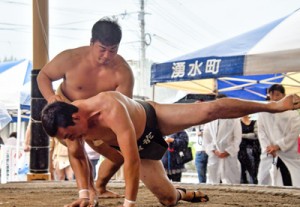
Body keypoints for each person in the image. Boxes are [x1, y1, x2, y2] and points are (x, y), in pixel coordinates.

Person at [41, 90, 300, 207]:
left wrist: (129, 204)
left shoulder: (109, 107)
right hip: (138, 151)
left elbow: (130, 161)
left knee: (210, 109)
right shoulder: (69, 127)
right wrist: (84, 193)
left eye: (70, 134)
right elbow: (77, 155)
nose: (71, 139)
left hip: (154, 119)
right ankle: (183, 193)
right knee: (167, 199)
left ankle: (273, 106)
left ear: (76, 118)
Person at [37, 17, 134, 197]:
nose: (106, 56)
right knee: (76, 149)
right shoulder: (70, 58)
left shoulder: (123, 71)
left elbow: (125, 106)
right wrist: (51, 97)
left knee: (118, 157)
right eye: (102, 49)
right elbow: (43, 76)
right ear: (91, 43)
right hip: (68, 115)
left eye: (113, 50)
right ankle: (86, 191)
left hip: (97, 119)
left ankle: (100, 186)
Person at [257, 84, 300, 187]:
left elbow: (293, 133)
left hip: (287, 152)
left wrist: (277, 146)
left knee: (290, 180)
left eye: (277, 95)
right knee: (264, 179)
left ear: (284, 95)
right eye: (271, 95)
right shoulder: (263, 113)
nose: (274, 98)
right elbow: (261, 132)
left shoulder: (292, 114)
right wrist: (268, 147)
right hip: (269, 152)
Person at [202, 94, 242, 184]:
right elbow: (206, 137)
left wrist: (228, 151)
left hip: (229, 155)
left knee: (231, 182)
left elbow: (237, 138)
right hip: (214, 155)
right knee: (213, 181)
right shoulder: (210, 118)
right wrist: (213, 150)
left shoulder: (234, 118)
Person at [238, 115, 260, 184]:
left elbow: (256, 135)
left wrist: (241, 135)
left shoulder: (254, 122)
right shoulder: (237, 123)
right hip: (240, 150)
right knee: (242, 172)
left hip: (253, 150)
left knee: (253, 171)